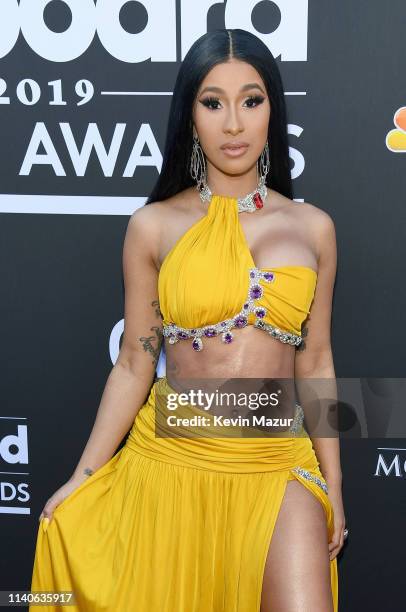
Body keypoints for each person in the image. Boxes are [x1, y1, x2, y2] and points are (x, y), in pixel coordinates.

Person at [30, 28, 346, 612]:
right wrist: (83, 475)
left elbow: (317, 358)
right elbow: (134, 360)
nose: (233, 124)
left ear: (272, 110)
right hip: (171, 460)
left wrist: (335, 485)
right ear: (189, 115)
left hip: (276, 461)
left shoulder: (313, 229)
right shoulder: (153, 227)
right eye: (212, 102)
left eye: (251, 101)